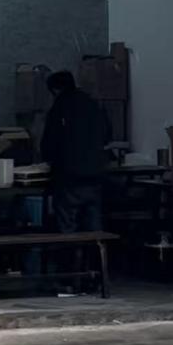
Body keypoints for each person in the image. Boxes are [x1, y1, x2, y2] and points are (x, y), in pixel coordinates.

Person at [41, 71, 109, 234]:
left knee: (68, 225)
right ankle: (98, 250)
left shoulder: (59, 107)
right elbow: (106, 136)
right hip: (95, 174)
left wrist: (48, 160)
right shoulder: (93, 104)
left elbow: (50, 142)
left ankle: (71, 251)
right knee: (94, 225)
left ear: (55, 89)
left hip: (69, 176)